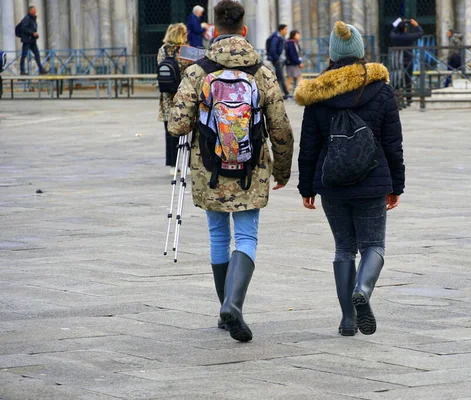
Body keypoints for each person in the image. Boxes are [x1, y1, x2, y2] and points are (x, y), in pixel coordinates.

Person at [168, 0, 294, 343]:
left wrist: (174, 92)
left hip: (209, 167)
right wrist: (282, 170)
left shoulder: (198, 71)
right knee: (247, 236)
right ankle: (234, 305)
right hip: (251, 169)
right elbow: (281, 128)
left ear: (213, 28)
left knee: (218, 236)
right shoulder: (262, 72)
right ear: (244, 30)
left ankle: (225, 307)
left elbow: (177, 125)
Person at [295, 21, 404, 337]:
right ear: (360, 52)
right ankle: (364, 289)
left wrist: (306, 187)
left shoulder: (316, 95)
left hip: (332, 183)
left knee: (344, 248)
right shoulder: (382, 91)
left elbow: (310, 145)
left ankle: (347, 320)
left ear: (332, 54)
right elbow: (393, 143)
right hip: (373, 180)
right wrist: (396, 185)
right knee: (374, 245)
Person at [157, 23, 193, 174]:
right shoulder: (186, 50)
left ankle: (173, 165)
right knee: (188, 130)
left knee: (169, 131)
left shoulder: (162, 50)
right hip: (183, 95)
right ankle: (187, 164)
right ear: (181, 35)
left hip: (166, 96)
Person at [390, 18, 423, 104]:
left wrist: (400, 24)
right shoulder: (408, 37)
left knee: (397, 78)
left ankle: (398, 98)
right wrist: (416, 25)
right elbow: (420, 33)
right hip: (408, 60)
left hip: (397, 60)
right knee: (408, 79)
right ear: (405, 28)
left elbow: (392, 31)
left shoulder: (395, 37)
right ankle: (409, 99)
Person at [18, 6, 47, 75]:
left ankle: (41, 69)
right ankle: (22, 71)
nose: (35, 12)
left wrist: (35, 34)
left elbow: (33, 28)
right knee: (24, 55)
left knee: (37, 54)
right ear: (30, 11)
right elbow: (24, 28)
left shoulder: (32, 19)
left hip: (32, 40)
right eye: (34, 11)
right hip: (27, 40)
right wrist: (32, 33)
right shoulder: (27, 18)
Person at [268, 24, 290, 99]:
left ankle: (279, 93)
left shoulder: (282, 38)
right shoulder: (276, 38)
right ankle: (286, 93)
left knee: (279, 77)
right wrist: (276, 59)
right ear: (281, 30)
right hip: (278, 60)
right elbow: (272, 49)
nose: (286, 31)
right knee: (281, 77)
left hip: (282, 60)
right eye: (285, 29)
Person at [285, 30, 303, 94]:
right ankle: (287, 93)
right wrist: (299, 62)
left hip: (293, 63)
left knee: (293, 77)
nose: (299, 36)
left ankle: (291, 92)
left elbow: (298, 54)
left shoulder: (295, 43)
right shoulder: (291, 43)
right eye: (297, 34)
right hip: (292, 64)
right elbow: (292, 54)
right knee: (292, 78)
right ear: (293, 35)